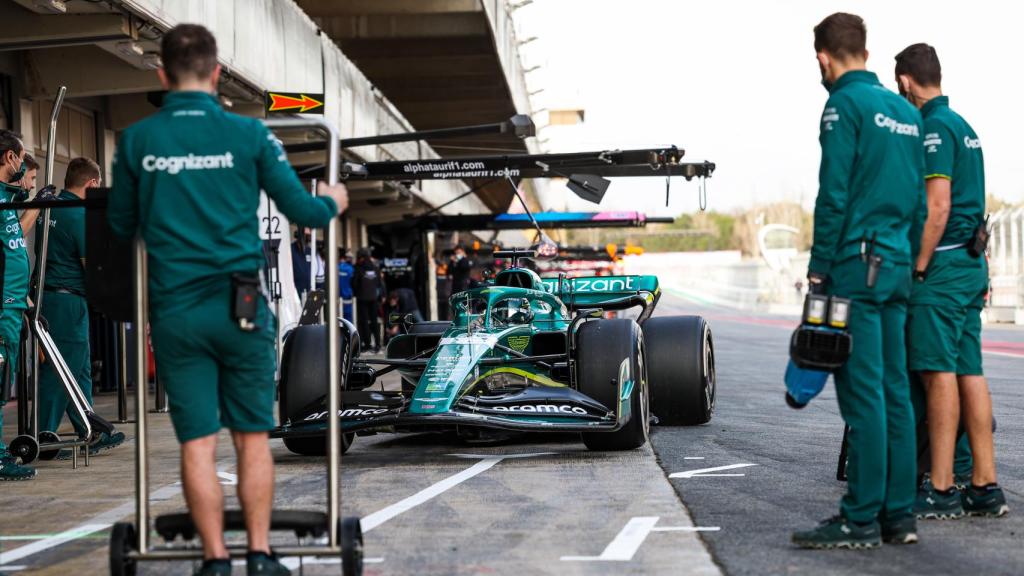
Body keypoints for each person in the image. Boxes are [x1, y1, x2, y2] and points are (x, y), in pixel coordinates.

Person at [108, 24, 348, 576]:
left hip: (175, 311)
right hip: (240, 307)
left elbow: (122, 224)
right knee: (251, 437)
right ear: (217, 74)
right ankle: (260, 555)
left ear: (162, 75)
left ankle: (215, 560)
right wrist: (332, 198)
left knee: (196, 442)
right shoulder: (251, 136)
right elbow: (307, 213)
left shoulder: (138, 141)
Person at [791, 13, 925, 549]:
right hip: (897, 267)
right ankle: (898, 514)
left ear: (824, 56)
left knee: (863, 394)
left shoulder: (843, 105)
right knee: (896, 390)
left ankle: (860, 517)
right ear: (864, 52)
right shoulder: (905, 111)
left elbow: (834, 194)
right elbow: (917, 201)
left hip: (856, 265)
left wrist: (821, 267)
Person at [895, 43, 1008, 519]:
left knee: (937, 373)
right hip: (970, 265)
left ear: (905, 82)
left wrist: (917, 267)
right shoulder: (965, 126)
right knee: (968, 373)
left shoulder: (935, 129)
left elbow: (937, 206)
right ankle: (985, 484)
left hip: (941, 269)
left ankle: (941, 487)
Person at [36, 157, 125, 459]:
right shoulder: (78, 215)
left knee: (79, 367)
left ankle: (90, 429)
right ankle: (44, 435)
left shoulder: (49, 208)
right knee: (62, 369)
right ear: (93, 183)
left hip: (49, 295)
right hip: (68, 299)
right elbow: (92, 267)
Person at [0, 130, 34, 481]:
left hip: (11, 305)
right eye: (21, 158)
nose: (23, 165)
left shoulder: (7, 198)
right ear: (10, 157)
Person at [352, 248, 382, 352]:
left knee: (364, 322)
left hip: (362, 299)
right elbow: (379, 283)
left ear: (362, 258)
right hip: (373, 298)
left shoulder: (358, 268)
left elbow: (355, 283)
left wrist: (356, 292)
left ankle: (367, 344)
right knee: (374, 321)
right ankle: (378, 344)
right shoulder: (375, 268)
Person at [338, 249, 354, 323]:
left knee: (339, 319)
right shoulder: (351, 269)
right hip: (348, 298)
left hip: (338, 297)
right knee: (348, 321)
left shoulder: (338, 267)